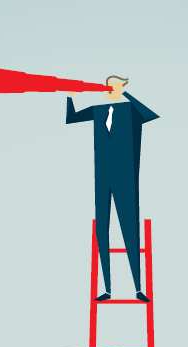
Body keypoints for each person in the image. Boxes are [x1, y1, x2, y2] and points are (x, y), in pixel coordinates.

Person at [66, 76, 159, 302]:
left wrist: (124, 93)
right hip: (102, 177)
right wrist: (70, 96)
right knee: (102, 230)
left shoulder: (131, 111)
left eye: (115, 86)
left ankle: (138, 288)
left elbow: (150, 114)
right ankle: (107, 289)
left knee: (130, 230)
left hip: (125, 178)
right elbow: (72, 118)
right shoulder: (98, 110)